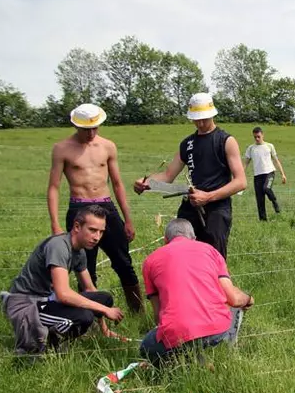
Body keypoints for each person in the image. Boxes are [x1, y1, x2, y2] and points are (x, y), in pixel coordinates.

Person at [47, 104, 142, 312]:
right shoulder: (62, 149)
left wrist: (127, 219)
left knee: (123, 261)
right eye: (85, 129)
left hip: (106, 206)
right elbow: (54, 187)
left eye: (95, 128)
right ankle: (89, 318)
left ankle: (138, 311)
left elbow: (117, 183)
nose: (91, 133)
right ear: (75, 125)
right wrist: (55, 224)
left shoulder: (107, 146)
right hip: (79, 207)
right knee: (84, 267)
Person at [134, 92, 246, 258]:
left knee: (213, 258)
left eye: (204, 118)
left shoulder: (226, 141)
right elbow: (168, 175)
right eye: (196, 119)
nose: (200, 123)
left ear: (212, 115)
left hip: (216, 208)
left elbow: (241, 182)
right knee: (183, 255)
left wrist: (208, 197)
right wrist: (147, 183)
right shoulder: (187, 144)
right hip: (190, 207)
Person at [2, 206, 125, 354]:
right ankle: (52, 342)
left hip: (49, 299)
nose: (97, 237)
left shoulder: (80, 251)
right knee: (84, 317)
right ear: (77, 226)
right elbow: (63, 295)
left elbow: (90, 289)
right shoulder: (59, 246)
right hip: (28, 303)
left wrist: (104, 329)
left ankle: (56, 333)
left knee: (104, 298)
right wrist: (106, 310)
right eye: (92, 230)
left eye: (101, 232)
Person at [140, 219, 253, 365]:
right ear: (194, 238)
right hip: (217, 330)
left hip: (176, 334)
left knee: (146, 348)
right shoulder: (211, 251)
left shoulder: (149, 261)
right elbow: (234, 299)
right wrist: (249, 299)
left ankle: (188, 359)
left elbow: (158, 315)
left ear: (166, 240)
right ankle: (219, 353)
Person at [244, 126, 287, 222]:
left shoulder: (269, 146)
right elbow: (246, 163)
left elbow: (276, 161)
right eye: (255, 137)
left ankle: (275, 203)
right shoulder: (251, 148)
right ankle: (263, 221)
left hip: (269, 173)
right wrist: (242, 175)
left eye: (258, 136)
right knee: (260, 199)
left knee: (266, 188)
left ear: (262, 135)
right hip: (257, 176)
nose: (257, 139)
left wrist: (283, 174)